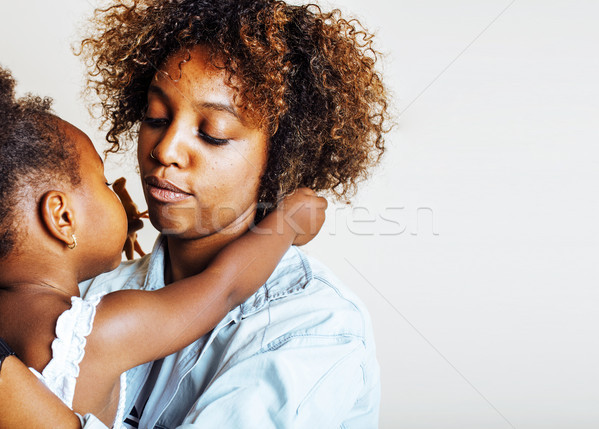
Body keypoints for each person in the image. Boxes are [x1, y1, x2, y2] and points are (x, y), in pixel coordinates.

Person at [3, 0, 390, 427]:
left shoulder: (311, 327)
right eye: (155, 118)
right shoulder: (93, 293)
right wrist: (287, 224)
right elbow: (220, 289)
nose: (164, 150)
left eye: (213, 133)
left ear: (281, 157)